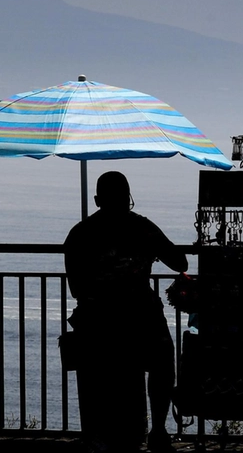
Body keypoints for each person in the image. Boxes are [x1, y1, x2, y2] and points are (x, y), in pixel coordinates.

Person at [65, 171, 187, 453]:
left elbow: (76, 288)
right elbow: (179, 261)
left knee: (102, 375)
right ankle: (157, 429)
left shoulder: (79, 234)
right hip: (141, 314)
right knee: (162, 363)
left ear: (97, 200)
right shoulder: (143, 228)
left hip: (97, 319)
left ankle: (101, 434)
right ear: (128, 198)